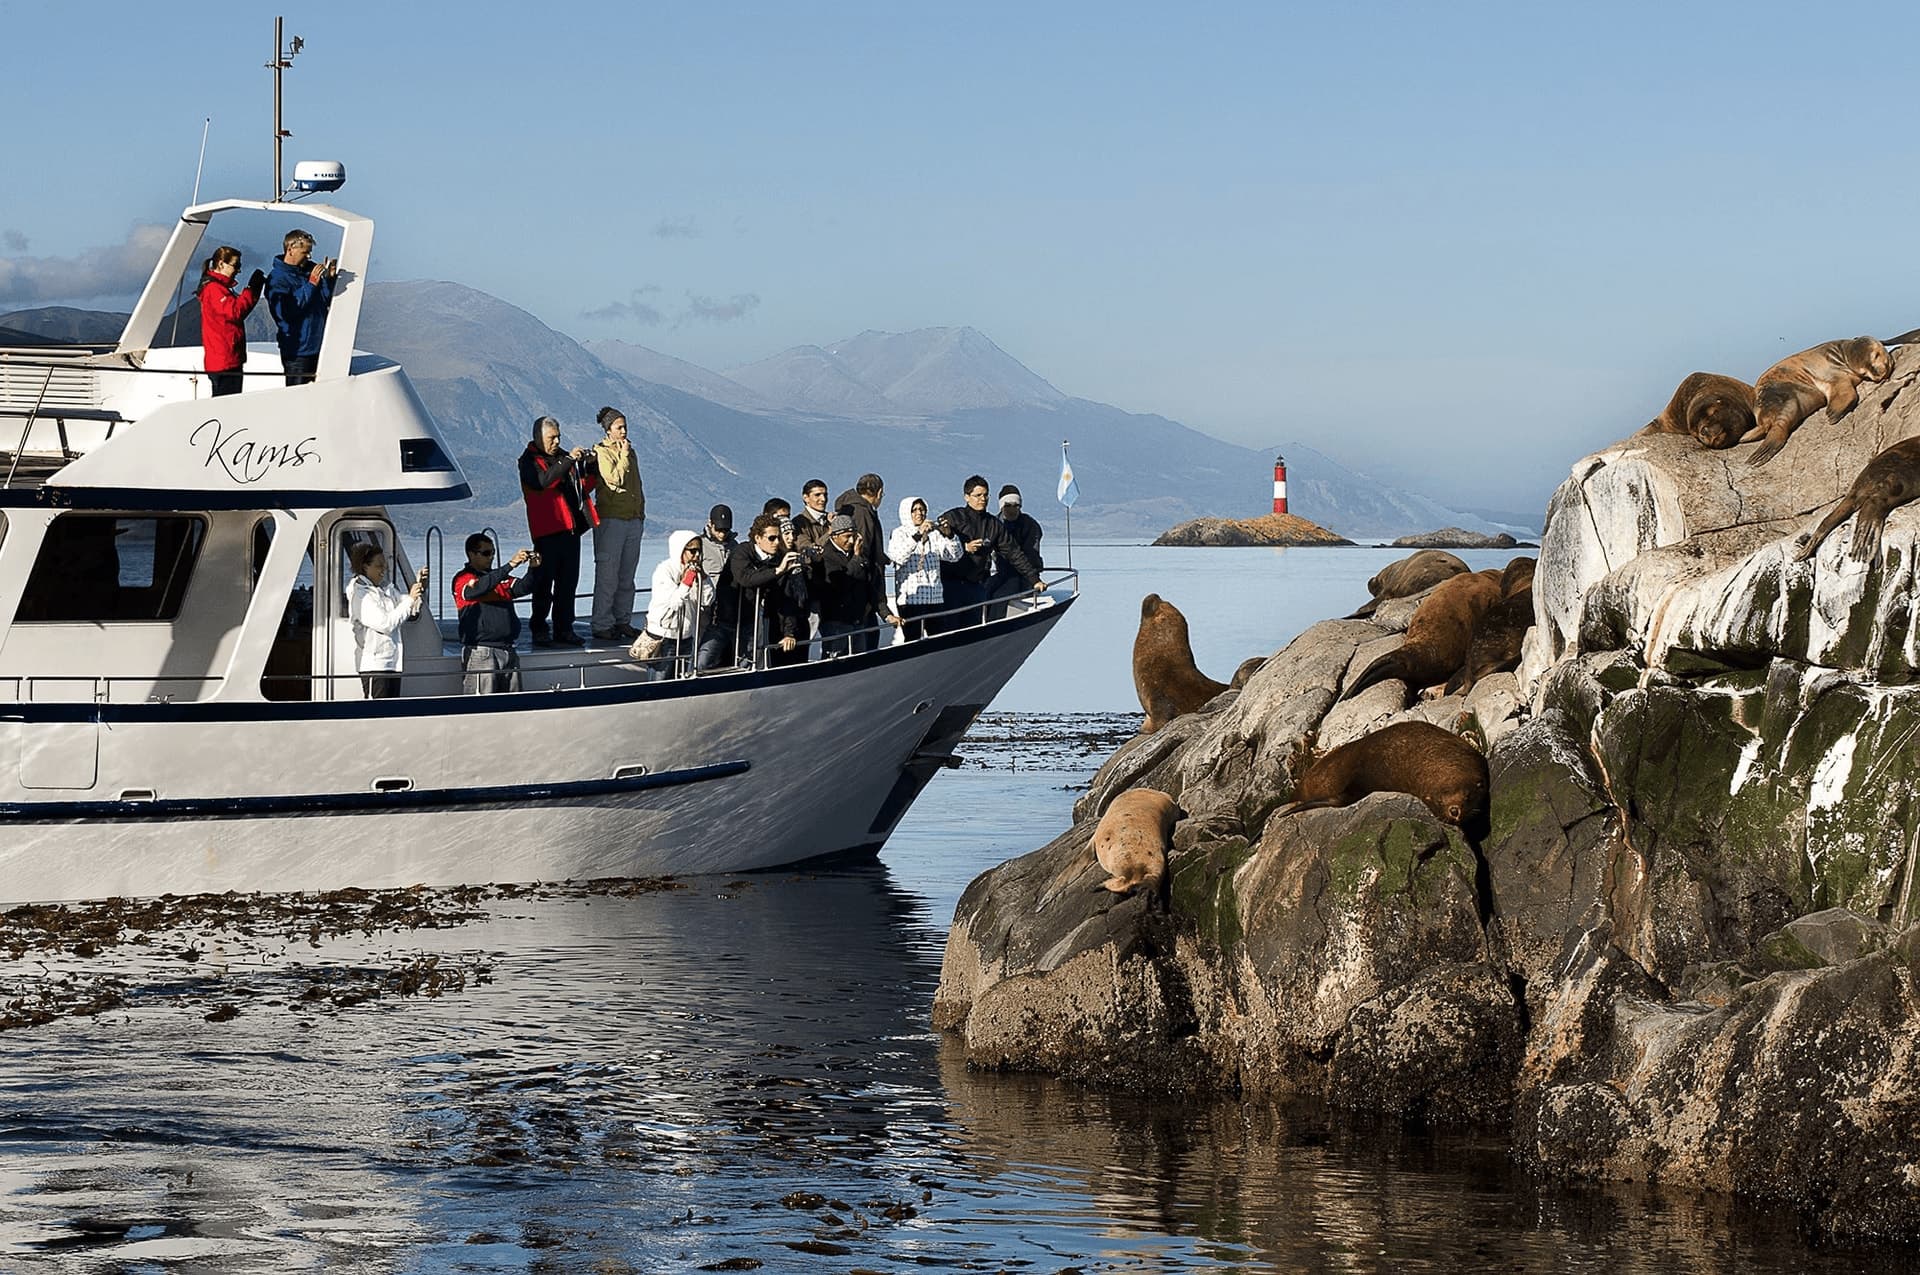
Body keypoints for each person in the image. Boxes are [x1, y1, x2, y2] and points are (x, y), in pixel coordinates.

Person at [518, 415, 598, 646]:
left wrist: (590, 465)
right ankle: (539, 628)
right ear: (538, 438)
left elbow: (584, 487)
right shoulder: (528, 461)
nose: (556, 441)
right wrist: (569, 461)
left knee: (568, 584)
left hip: (570, 531)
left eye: (558, 437)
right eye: (552, 438)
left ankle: (564, 629)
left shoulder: (564, 458)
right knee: (543, 584)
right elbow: (543, 482)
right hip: (546, 532)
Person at [937, 475, 1042, 632]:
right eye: (978, 495)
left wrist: (1034, 579)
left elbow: (1014, 553)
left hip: (975, 586)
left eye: (986, 495)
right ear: (967, 497)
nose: (983, 499)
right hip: (950, 585)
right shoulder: (953, 518)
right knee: (949, 630)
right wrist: (964, 547)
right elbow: (936, 544)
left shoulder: (994, 525)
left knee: (975, 630)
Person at [452, 534, 539, 693]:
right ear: (472, 554)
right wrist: (511, 564)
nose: (491, 557)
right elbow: (477, 589)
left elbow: (524, 587)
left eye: (493, 553)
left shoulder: (500, 579)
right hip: (481, 651)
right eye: (486, 553)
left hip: (508, 649)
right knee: (480, 706)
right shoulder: (463, 578)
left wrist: (533, 568)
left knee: (513, 704)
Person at [589, 405, 647, 641]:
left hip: (633, 519)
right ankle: (602, 623)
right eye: (619, 427)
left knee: (627, 576)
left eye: (625, 426)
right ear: (608, 430)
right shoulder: (602, 452)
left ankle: (622, 619)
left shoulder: (630, 450)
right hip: (611, 520)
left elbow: (636, 483)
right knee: (607, 575)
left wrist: (641, 513)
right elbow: (615, 478)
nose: (624, 431)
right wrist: (623, 455)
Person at [345, 541, 424, 699]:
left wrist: (419, 588)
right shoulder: (361, 595)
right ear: (365, 567)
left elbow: (407, 604)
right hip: (375, 666)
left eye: (385, 565)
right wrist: (411, 599)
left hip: (391, 663)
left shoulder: (385, 588)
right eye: (379, 565)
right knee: (377, 713)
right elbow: (386, 624)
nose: (384, 569)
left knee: (390, 711)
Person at [728, 513, 807, 666]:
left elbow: (787, 598)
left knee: (755, 658)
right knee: (708, 658)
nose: (777, 542)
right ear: (758, 538)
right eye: (772, 538)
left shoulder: (778, 559)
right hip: (731, 617)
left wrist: (789, 632)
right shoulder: (742, 552)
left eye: (778, 537)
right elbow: (746, 578)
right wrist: (778, 570)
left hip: (762, 619)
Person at [819, 513, 903, 655]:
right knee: (835, 665)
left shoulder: (858, 555)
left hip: (858, 622)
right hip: (836, 623)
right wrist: (856, 559)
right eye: (847, 536)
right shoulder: (825, 557)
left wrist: (887, 615)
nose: (851, 541)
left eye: (853, 536)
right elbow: (841, 584)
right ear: (834, 536)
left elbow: (870, 588)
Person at [263, 228, 336, 386]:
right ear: (290, 250)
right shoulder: (277, 279)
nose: (309, 256)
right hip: (297, 351)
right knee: (297, 397)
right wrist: (311, 284)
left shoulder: (309, 271)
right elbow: (286, 312)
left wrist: (329, 280)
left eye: (309, 252)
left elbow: (324, 300)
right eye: (305, 252)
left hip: (318, 346)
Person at [637, 530, 712, 679]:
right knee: (660, 682)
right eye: (692, 551)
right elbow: (674, 603)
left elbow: (707, 600)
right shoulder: (664, 571)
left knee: (682, 681)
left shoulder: (697, 572)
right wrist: (686, 582)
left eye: (699, 551)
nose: (697, 556)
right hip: (664, 637)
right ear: (681, 550)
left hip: (686, 636)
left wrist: (703, 579)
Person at [887, 494, 962, 640]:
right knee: (913, 641)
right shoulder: (898, 533)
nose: (919, 513)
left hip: (934, 598)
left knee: (939, 641)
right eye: (914, 510)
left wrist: (950, 535)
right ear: (906, 513)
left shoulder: (934, 534)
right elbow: (898, 557)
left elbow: (955, 556)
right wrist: (917, 535)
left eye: (922, 509)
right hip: (911, 600)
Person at [197, 246, 265, 397]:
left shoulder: (216, 288)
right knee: (226, 405)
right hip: (224, 360)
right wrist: (251, 291)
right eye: (236, 266)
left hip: (226, 358)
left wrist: (252, 292)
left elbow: (236, 312)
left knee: (227, 404)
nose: (238, 271)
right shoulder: (214, 289)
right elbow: (235, 312)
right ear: (221, 264)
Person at [833, 472, 889, 653]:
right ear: (878, 492)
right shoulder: (863, 513)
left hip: (857, 586)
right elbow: (862, 548)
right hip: (863, 587)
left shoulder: (852, 508)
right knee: (866, 641)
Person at [694, 504, 740, 670]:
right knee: (702, 647)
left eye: (726, 530)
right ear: (710, 524)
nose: (722, 534)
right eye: (719, 529)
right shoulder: (699, 546)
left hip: (729, 607)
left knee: (728, 649)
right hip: (706, 608)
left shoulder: (735, 546)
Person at [992, 484, 1047, 613]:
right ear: (1001, 506)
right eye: (1007, 505)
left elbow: (1031, 554)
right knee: (985, 590)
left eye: (1016, 505)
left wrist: (1033, 579)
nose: (1012, 509)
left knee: (1000, 597)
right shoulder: (994, 523)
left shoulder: (1030, 525)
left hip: (1024, 576)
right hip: (1001, 573)